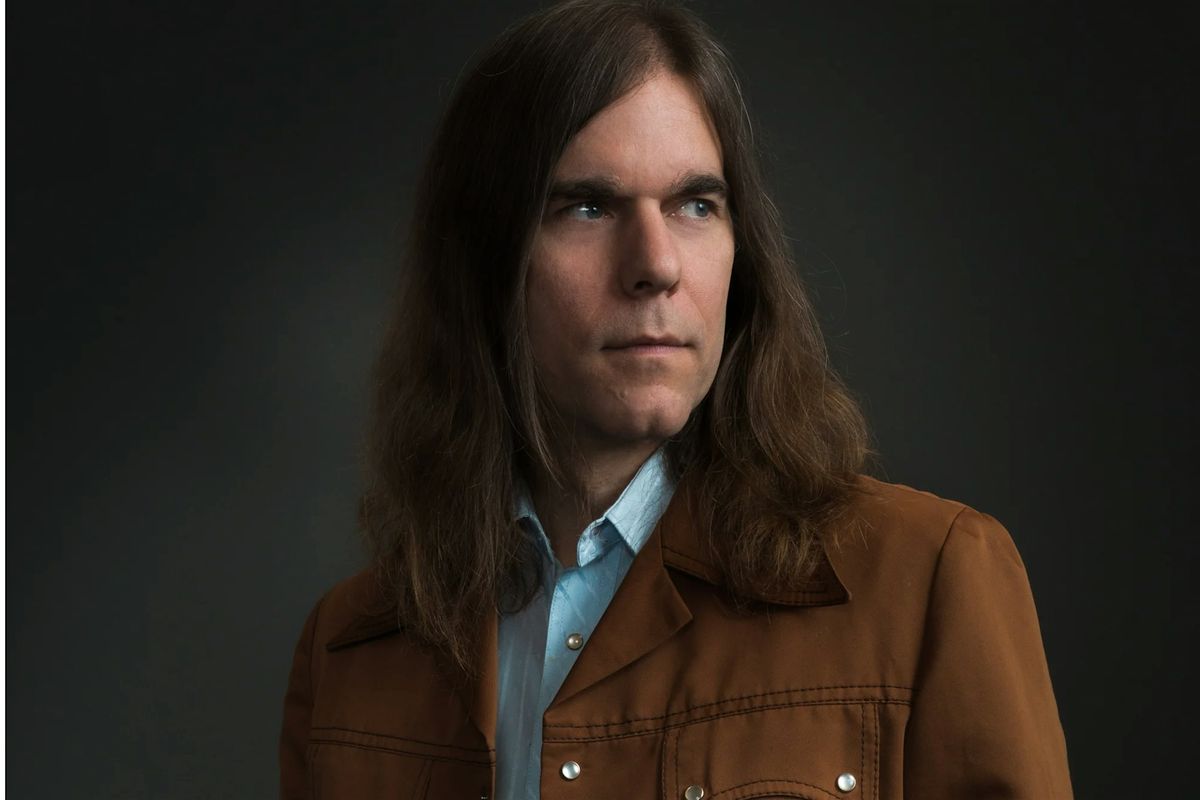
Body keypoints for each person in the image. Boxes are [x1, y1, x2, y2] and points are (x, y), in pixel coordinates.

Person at [279, 1, 1073, 798]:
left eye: (696, 204)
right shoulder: (348, 653)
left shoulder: (928, 581)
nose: (656, 264)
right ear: (483, 263)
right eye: (588, 206)